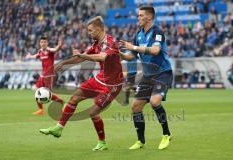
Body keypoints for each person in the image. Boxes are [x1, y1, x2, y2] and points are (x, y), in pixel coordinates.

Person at [39, 16, 124, 151]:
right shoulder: (96, 43)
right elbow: (81, 57)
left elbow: (102, 57)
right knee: (74, 98)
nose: (89, 33)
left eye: (90, 31)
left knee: (93, 112)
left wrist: (83, 56)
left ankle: (102, 142)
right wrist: (63, 63)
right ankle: (59, 128)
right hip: (100, 78)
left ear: (99, 29)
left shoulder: (110, 42)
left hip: (112, 85)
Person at [120, 6, 173, 150]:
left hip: (163, 73)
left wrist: (134, 47)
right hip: (148, 75)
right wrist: (119, 54)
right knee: (136, 106)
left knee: (154, 101)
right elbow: (132, 56)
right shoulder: (138, 34)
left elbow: (155, 51)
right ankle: (140, 141)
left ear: (148, 17)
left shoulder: (157, 32)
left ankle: (166, 134)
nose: (138, 17)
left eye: (140, 15)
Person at [25, 37, 64, 115]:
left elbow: (55, 50)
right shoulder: (40, 51)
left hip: (49, 76)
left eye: (44, 42)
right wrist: (30, 56)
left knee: (48, 93)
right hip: (42, 75)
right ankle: (41, 110)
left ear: (47, 43)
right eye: (41, 42)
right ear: (40, 43)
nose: (43, 43)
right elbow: (36, 55)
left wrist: (59, 46)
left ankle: (61, 102)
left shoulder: (50, 51)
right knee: (37, 90)